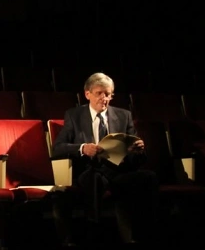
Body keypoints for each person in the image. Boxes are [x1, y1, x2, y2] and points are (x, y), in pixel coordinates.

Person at [51, 72, 157, 245]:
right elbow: (57, 148)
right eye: (99, 93)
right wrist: (82, 148)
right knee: (94, 179)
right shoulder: (74, 115)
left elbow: (139, 159)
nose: (104, 98)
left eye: (108, 94)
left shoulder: (124, 116)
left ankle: (146, 236)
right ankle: (94, 231)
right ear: (87, 94)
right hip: (90, 170)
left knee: (148, 177)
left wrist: (137, 150)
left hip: (118, 172)